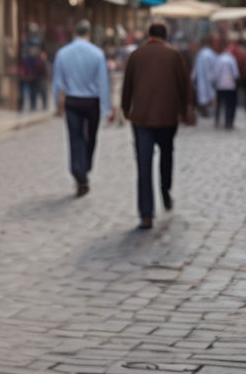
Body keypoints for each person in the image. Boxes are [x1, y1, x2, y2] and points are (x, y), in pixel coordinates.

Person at [120, 22, 191, 229]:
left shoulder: (136, 55)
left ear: (149, 35)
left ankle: (146, 214)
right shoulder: (175, 56)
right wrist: (185, 109)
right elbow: (184, 85)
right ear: (165, 36)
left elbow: (127, 86)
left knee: (143, 166)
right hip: (168, 117)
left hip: (141, 118)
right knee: (166, 156)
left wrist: (125, 108)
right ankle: (165, 190)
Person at [51, 19, 112, 196]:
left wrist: (57, 103)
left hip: (72, 101)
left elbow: (57, 81)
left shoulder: (63, 53)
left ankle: (78, 171)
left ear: (74, 33)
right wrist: (106, 107)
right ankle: (84, 168)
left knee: (75, 137)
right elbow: (103, 83)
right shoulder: (97, 54)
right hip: (91, 102)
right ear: (89, 34)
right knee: (90, 137)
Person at [212, 40, 239, 129]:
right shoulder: (232, 59)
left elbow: (215, 74)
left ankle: (217, 121)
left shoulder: (219, 59)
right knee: (229, 105)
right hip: (230, 86)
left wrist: (215, 83)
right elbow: (236, 74)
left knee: (219, 105)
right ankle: (228, 123)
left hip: (220, 86)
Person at [191, 37, 217, 119]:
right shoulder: (211, 53)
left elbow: (195, 68)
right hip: (209, 78)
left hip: (201, 79)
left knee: (202, 95)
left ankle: (204, 110)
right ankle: (208, 111)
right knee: (210, 95)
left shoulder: (200, 54)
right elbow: (215, 66)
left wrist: (192, 77)